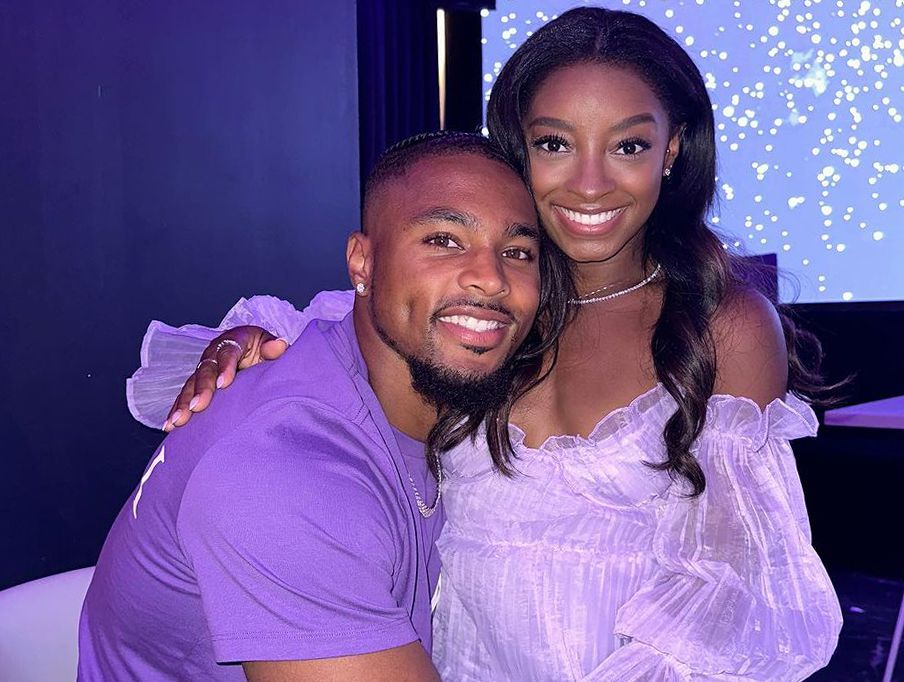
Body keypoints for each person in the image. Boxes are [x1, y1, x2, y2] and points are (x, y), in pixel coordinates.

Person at [128, 8, 843, 681]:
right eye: (554, 143)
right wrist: (245, 338)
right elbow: (354, 320)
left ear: (671, 149)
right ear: (518, 149)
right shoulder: (494, 301)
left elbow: (729, 586)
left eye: (627, 144)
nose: (590, 183)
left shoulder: (721, 325)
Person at [79, 131, 572, 681]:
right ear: (362, 263)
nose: (491, 277)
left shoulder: (399, 373)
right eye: (443, 239)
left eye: (517, 252)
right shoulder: (283, 477)